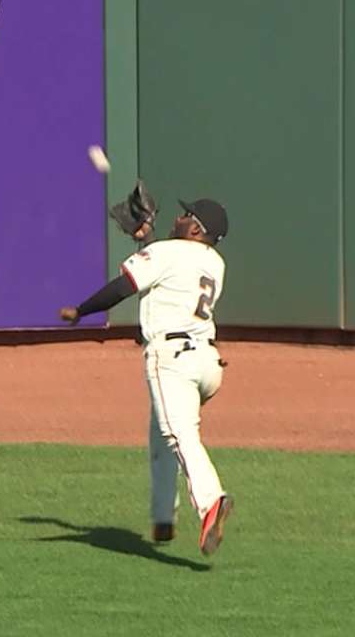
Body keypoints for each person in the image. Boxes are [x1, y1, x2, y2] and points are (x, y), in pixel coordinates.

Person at [60, 197, 234, 556]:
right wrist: (149, 242)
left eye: (186, 216)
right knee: (161, 430)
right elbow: (169, 276)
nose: (179, 217)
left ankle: (211, 501)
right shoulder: (215, 262)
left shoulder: (167, 252)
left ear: (197, 229)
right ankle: (162, 519)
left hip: (172, 360)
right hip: (207, 363)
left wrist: (82, 310)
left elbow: (124, 286)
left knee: (178, 433)